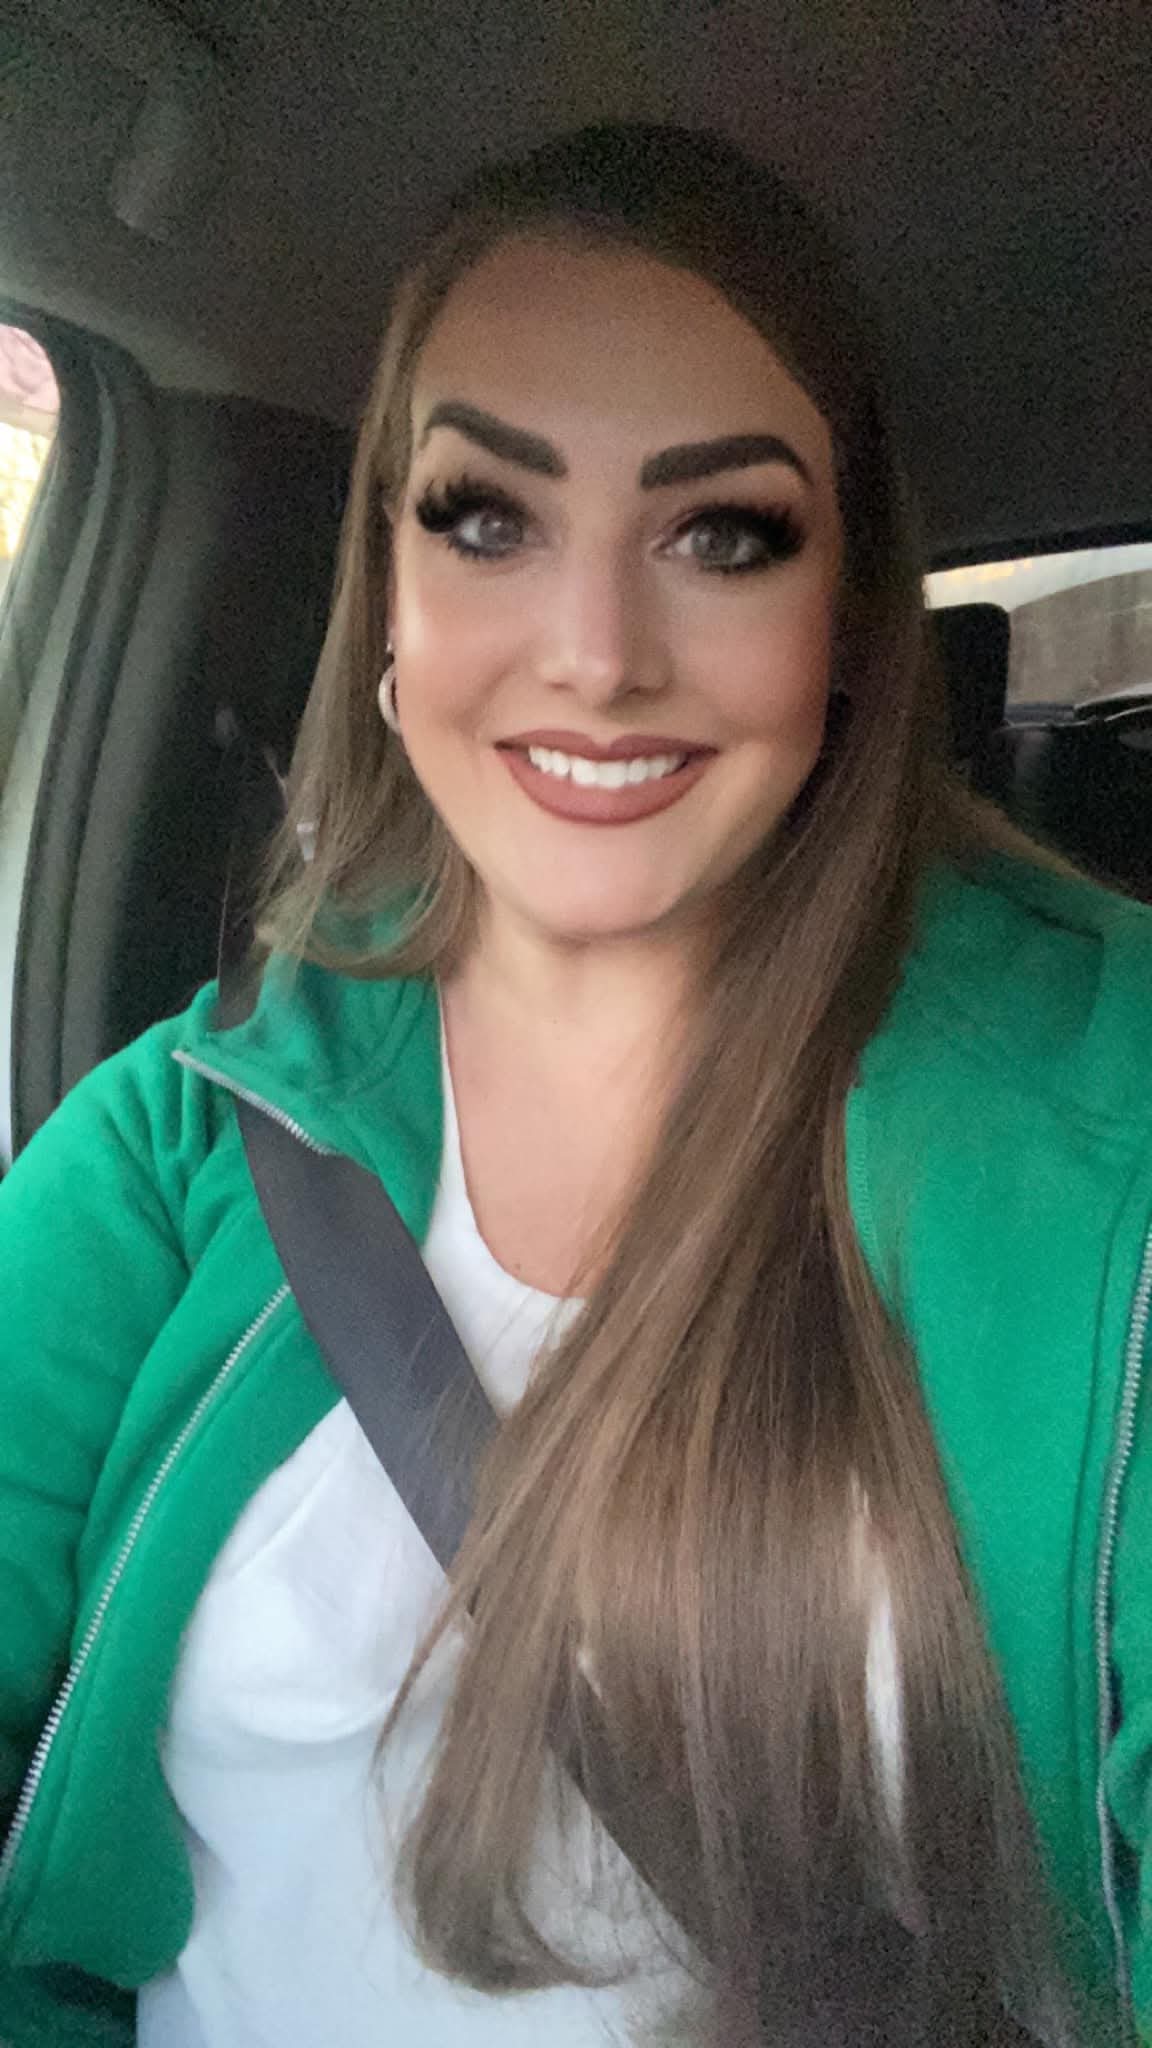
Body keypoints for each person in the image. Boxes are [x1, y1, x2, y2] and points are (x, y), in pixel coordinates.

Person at [0, 122, 1148, 2048]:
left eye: (726, 535)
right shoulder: (182, 1136)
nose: (599, 658)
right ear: (385, 588)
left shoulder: (1108, 1137)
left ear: (848, 623)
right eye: (485, 518)